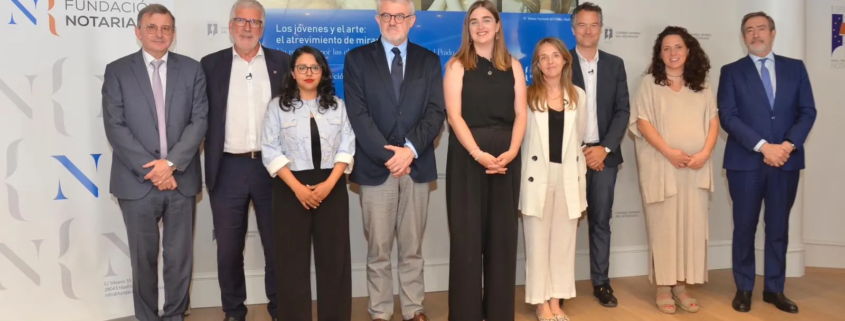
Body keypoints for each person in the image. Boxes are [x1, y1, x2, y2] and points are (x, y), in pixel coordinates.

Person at [101, 4, 207, 321]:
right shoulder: (117, 70)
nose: (159, 34)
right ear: (138, 32)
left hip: (181, 179)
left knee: (179, 260)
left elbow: (200, 120)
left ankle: (175, 316)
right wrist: (155, 169)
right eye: (152, 27)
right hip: (136, 183)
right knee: (143, 259)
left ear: (173, 34)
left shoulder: (192, 69)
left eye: (166, 28)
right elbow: (114, 126)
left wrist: (171, 164)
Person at [343, 0, 446, 320]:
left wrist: (410, 150)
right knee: (378, 251)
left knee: (413, 249)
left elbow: (435, 111)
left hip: (416, 167)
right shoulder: (357, 59)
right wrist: (390, 157)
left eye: (400, 15)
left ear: (412, 21)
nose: (393, 21)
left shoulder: (429, 61)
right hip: (377, 168)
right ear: (377, 19)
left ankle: (414, 309)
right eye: (386, 15)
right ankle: (380, 312)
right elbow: (358, 116)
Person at [718, 12, 816, 314]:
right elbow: (728, 116)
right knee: (744, 227)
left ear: (772, 33)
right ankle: (744, 288)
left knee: (778, 228)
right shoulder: (732, 71)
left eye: (761, 29)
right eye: (749, 30)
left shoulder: (795, 68)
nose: (755, 34)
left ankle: (774, 289)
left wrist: (785, 146)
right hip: (745, 163)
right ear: (743, 36)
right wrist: (763, 147)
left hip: (785, 162)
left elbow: (807, 111)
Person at [199, 1, 291, 320]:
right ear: (230, 25)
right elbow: (199, 118)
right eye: (241, 21)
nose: (247, 27)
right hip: (227, 168)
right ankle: (234, 312)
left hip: (273, 169)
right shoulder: (210, 65)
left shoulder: (283, 62)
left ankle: (280, 309)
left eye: (254, 22)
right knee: (227, 250)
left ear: (263, 28)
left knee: (277, 247)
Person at [443, 1, 527, 320]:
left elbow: (521, 114)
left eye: (486, 20)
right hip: (468, 160)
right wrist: (478, 154)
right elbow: (454, 115)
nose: (480, 26)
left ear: (497, 26)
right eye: (474, 21)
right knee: (466, 242)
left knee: (502, 242)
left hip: (506, 160)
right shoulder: (456, 65)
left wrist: (513, 149)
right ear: (468, 28)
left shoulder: (514, 66)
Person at [628, 26, 718, 314]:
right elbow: (642, 122)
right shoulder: (649, 84)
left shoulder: (702, 85)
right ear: (659, 54)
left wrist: (704, 153)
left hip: (695, 168)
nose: (672, 53)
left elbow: (714, 122)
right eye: (666, 48)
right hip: (662, 166)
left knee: (690, 227)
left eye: (677, 47)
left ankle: (682, 285)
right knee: (664, 227)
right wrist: (669, 152)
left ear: (688, 50)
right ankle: (664, 287)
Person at [261, 45, 355, 321]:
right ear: (292, 72)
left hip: (332, 187)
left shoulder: (338, 106)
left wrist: (328, 185)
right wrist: (299, 189)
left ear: (323, 72)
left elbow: (347, 146)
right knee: (291, 265)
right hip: (291, 189)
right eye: (302, 67)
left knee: (334, 263)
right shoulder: (277, 107)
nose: (309, 73)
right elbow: (270, 149)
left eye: (315, 67)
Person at [518, 37, 587, 321]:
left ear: (565, 61)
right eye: (543, 57)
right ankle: (540, 302)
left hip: (568, 175)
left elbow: (580, 136)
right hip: (537, 177)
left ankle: (556, 301)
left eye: (555, 56)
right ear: (537, 64)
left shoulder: (578, 96)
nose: (550, 62)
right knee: (537, 243)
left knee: (563, 243)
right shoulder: (526, 95)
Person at [568, 2, 629, 308]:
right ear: (573, 29)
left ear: (600, 29)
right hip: (570, 156)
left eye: (594, 25)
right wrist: (580, 150)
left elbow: (623, 111)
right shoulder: (560, 62)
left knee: (600, 220)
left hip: (604, 155)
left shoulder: (615, 64)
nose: (588, 30)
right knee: (565, 222)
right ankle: (560, 287)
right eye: (582, 25)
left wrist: (603, 149)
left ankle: (601, 282)